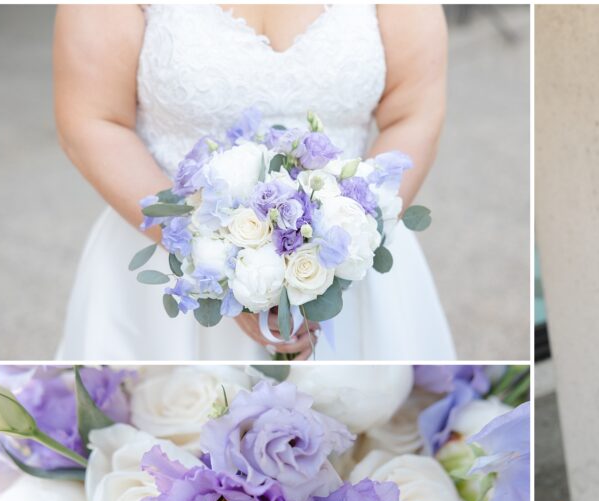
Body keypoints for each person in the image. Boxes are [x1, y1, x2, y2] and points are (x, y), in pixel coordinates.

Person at [53, 4, 455, 360]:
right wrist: (218, 267)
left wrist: (343, 248)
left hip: (344, 257)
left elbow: (412, 114)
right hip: (170, 259)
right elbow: (93, 121)